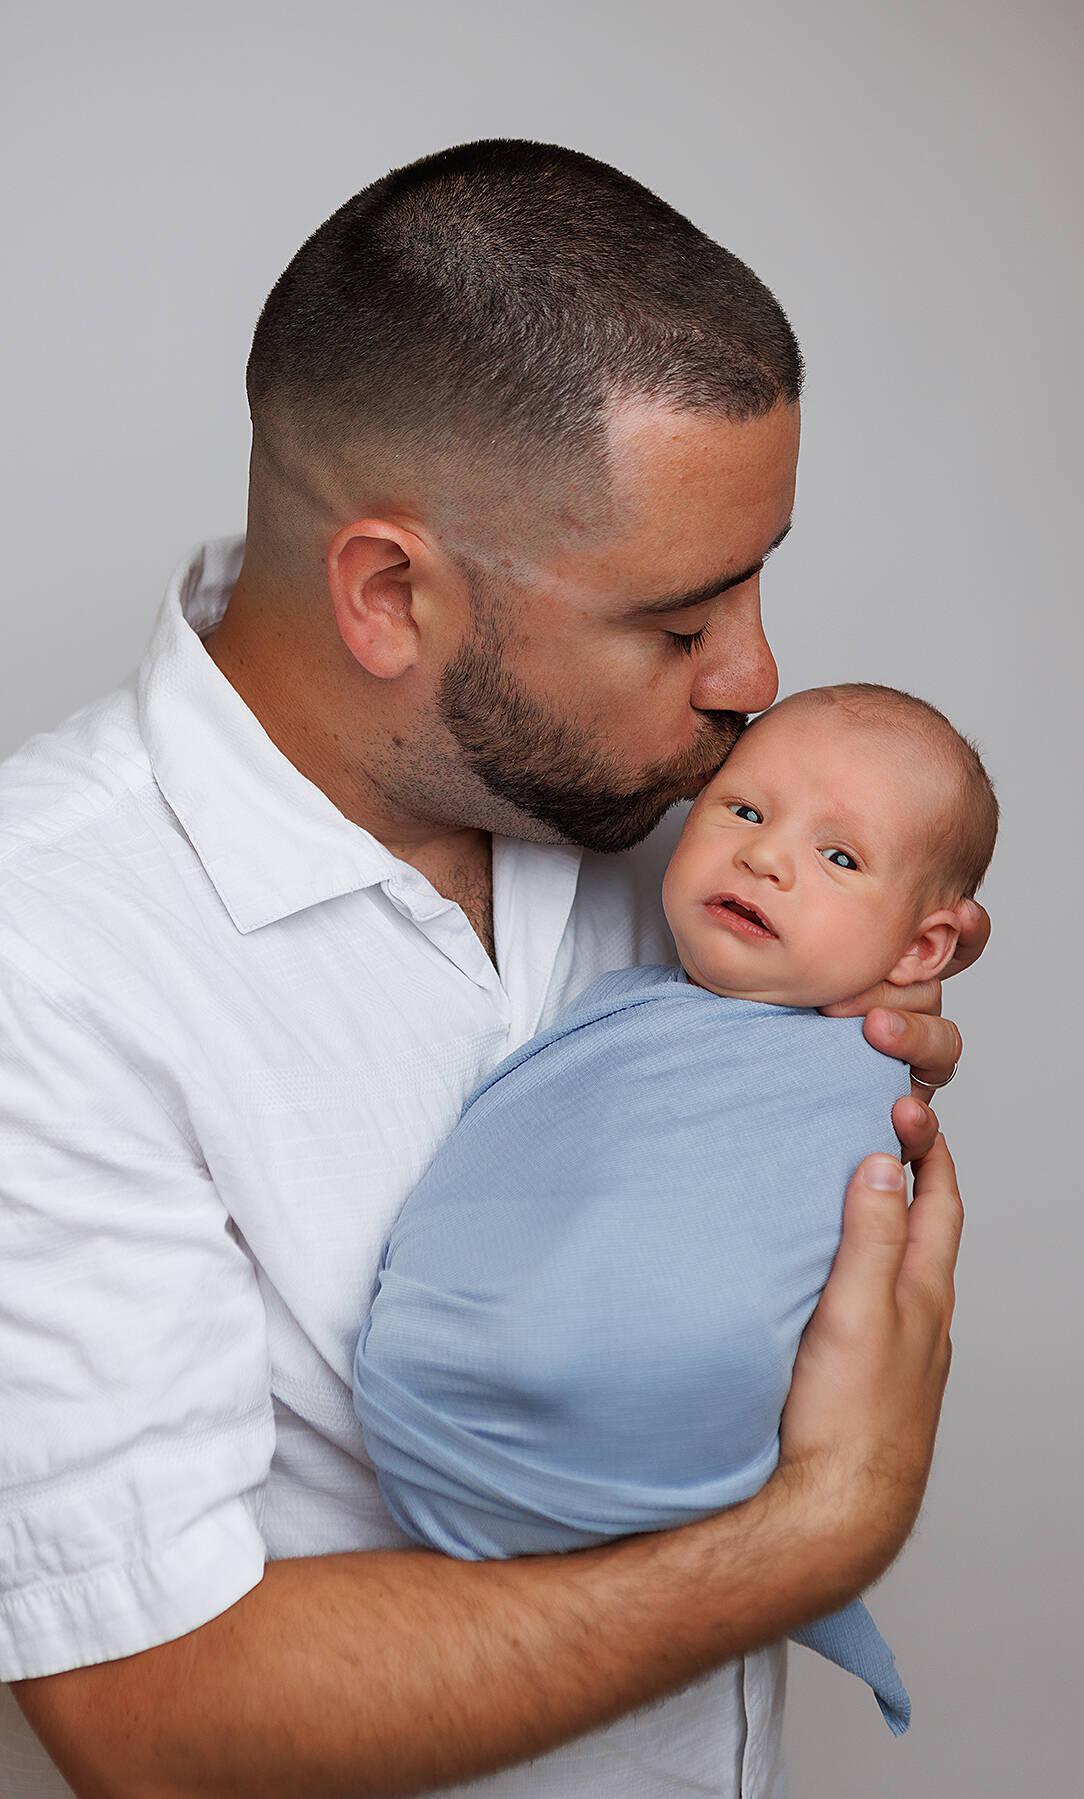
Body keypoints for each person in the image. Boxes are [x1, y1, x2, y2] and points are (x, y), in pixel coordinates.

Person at [1, 142, 978, 1799]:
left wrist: (837, 1058)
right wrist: (824, 1525)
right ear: (391, 594)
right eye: (681, 624)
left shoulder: (658, 824)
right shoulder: (52, 948)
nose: (759, 674)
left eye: (760, 576)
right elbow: (152, 1710)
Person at [354, 684, 998, 1739]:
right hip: (437, 1449)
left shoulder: (862, 1073)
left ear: (923, 948)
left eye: (841, 857)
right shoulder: (626, 1003)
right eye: (743, 811)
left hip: (641, 1479)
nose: (766, 857)